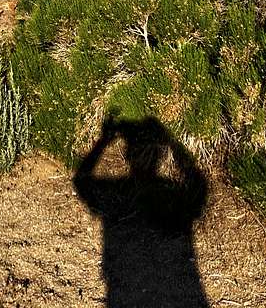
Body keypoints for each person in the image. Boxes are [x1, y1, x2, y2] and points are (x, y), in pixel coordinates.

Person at [73, 117, 210, 307]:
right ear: (160, 157)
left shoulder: (119, 193)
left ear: (127, 156)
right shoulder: (169, 193)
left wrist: (103, 141)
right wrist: (171, 142)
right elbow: (199, 186)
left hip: (126, 292)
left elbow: (81, 181)